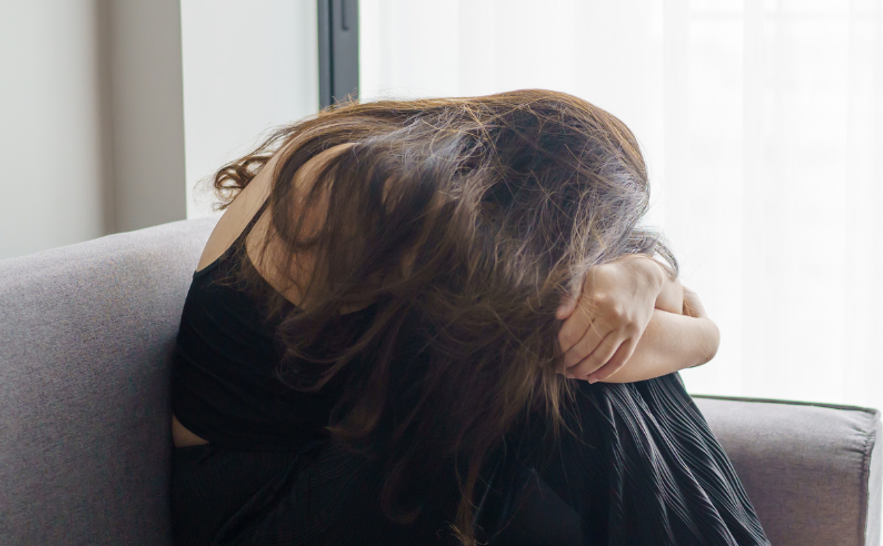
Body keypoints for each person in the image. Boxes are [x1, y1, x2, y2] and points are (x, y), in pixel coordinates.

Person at [169, 90, 770, 545]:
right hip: (258, 512)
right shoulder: (367, 187)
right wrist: (705, 337)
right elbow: (566, 346)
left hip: (343, 455)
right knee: (549, 377)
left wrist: (643, 271)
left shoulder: (438, 172)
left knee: (592, 348)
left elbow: (623, 315)